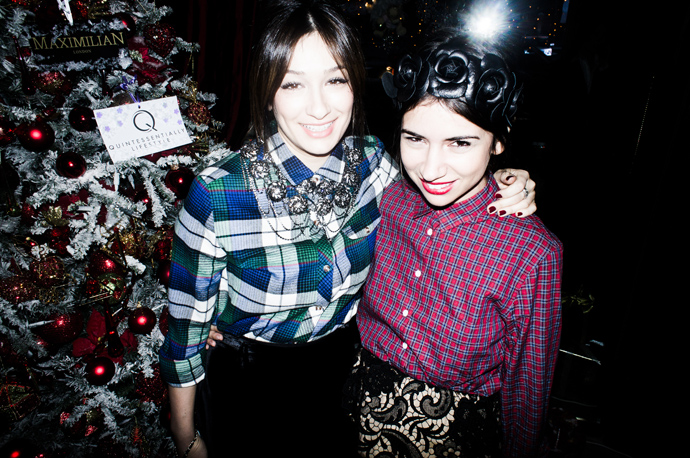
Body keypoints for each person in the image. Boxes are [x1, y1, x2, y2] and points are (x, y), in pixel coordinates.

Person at [160, 2, 536, 457]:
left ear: (356, 84)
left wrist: (505, 178)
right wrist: (186, 437)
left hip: (344, 381)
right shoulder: (218, 193)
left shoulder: (375, 164)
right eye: (292, 83)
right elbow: (184, 334)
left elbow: (442, 174)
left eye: (335, 80)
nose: (319, 107)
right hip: (249, 387)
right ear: (267, 92)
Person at [346, 36, 563, 457]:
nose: (430, 169)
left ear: (498, 141)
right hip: (353, 404)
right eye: (415, 139)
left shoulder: (531, 252)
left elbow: (528, 385)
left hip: (450, 439)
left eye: (460, 143)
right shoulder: (390, 197)